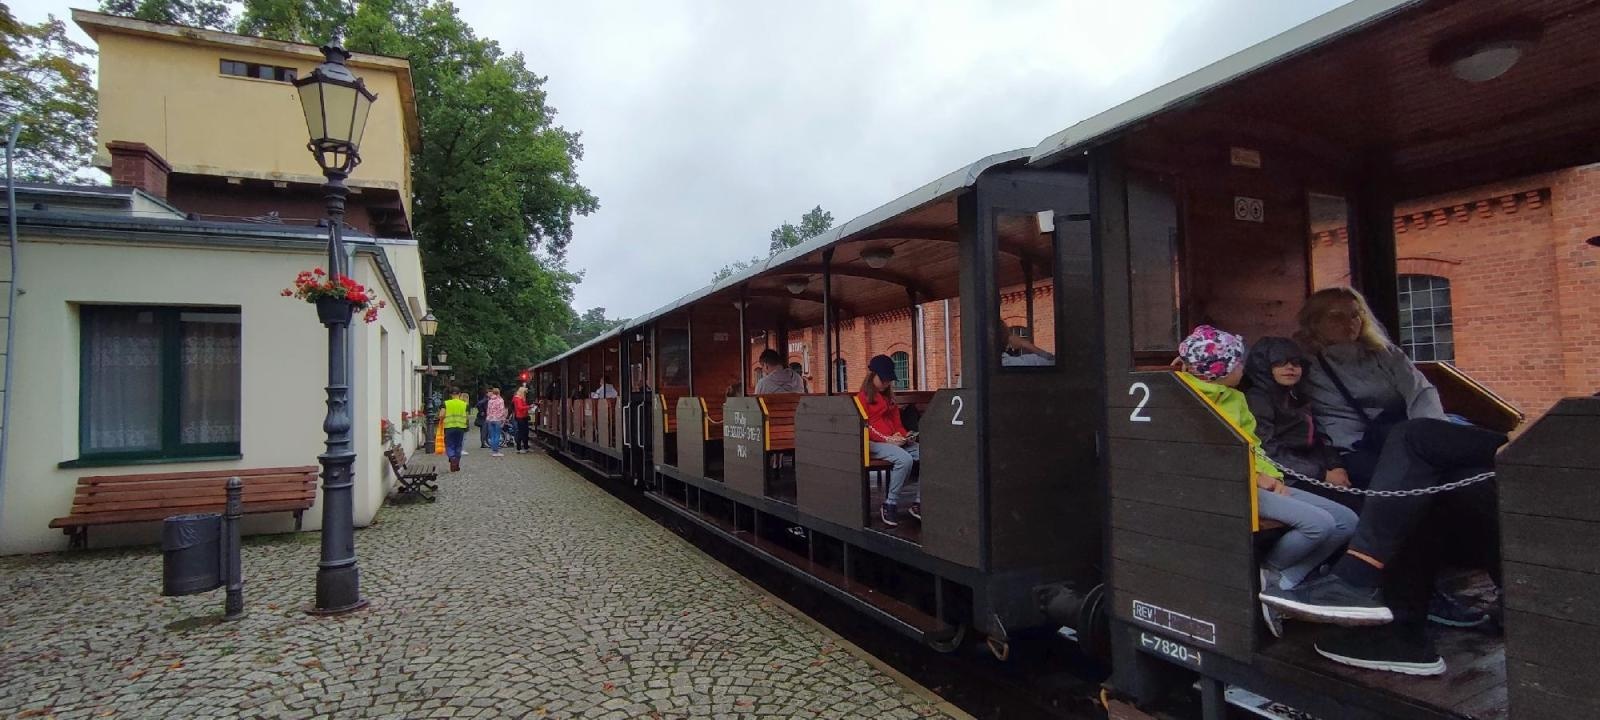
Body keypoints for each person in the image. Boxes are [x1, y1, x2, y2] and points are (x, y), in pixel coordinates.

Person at [1259, 288, 1505, 675]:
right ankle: (1414, 618)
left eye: (1356, 314)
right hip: (1353, 450)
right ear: (1314, 323)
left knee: (1428, 471)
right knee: (1433, 491)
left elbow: (1421, 395)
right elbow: (1276, 392)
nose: (1351, 323)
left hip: (1410, 445)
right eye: (1337, 316)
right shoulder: (1305, 363)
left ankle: (1377, 596)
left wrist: (1432, 443)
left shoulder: (1386, 355)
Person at [1175, 325, 1357, 640]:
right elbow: (1206, 456)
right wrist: (1255, 477)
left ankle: (1280, 583)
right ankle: (1273, 575)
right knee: (1318, 525)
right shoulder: (1187, 400)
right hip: (1232, 489)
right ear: (1221, 370)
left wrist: (1270, 475)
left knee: (1346, 521)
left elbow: (1254, 445)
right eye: (1238, 363)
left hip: (1257, 481)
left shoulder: (1234, 399)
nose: (1243, 368)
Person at [1244, 337, 1353, 508]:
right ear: (1264, 366)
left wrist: (1336, 466)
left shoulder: (1297, 394)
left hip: (1312, 468)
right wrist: (1322, 475)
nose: (1290, 368)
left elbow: (1319, 436)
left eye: (1296, 362)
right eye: (1279, 362)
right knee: (1347, 510)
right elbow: (1268, 449)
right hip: (1286, 476)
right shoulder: (1258, 399)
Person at [861, 354, 920, 528]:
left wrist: (903, 435)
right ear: (873, 376)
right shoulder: (862, 398)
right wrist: (888, 440)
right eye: (884, 379)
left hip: (893, 442)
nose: (887, 383)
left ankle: (919, 503)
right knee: (904, 459)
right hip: (873, 443)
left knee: (929, 454)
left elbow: (897, 423)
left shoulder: (889, 398)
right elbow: (867, 427)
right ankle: (890, 504)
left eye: (889, 380)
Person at [439, 391, 470, 472]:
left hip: (449, 427)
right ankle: (456, 463)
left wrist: (441, 421)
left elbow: (441, 414)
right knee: (458, 445)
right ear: (459, 394)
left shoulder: (446, 403)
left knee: (449, 445)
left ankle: (452, 459)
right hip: (461, 427)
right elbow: (466, 417)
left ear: (451, 395)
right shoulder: (464, 404)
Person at [485, 387, 507, 457]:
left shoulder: (490, 401)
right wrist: (502, 419)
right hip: (497, 420)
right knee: (497, 435)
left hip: (490, 420)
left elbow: (488, 410)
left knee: (492, 436)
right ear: (499, 393)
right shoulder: (500, 400)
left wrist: (488, 417)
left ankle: (493, 450)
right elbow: (502, 411)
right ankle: (496, 451)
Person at [512, 386, 532, 454]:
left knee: (525, 432)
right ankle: (519, 448)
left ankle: (525, 447)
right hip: (520, 417)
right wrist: (529, 407)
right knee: (521, 432)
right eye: (525, 393)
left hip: (523, 416)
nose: (525, 394)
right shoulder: (518, 399)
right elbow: (520, 407)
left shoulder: (519, 398)